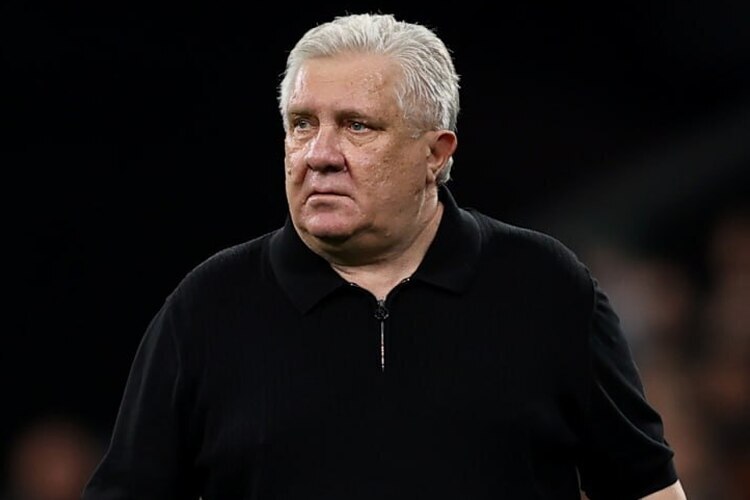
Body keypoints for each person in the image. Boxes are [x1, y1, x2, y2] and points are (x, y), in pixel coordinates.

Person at [82, 12, 687, 499]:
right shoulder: (207, 308)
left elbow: (645, 489)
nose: (319, 154)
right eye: (301, 124)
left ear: (436, 153)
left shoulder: (546, 288)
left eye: (357, 126)